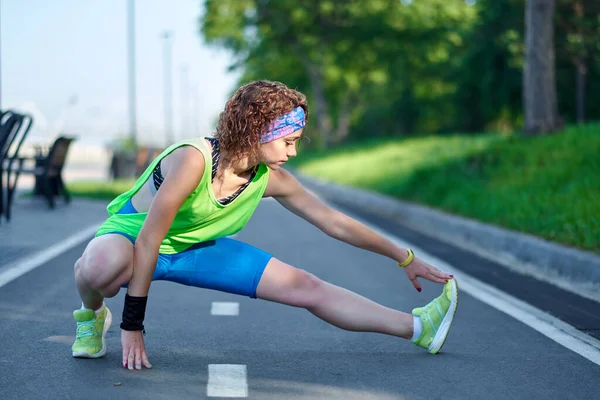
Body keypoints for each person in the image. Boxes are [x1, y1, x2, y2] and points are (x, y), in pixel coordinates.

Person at [71, 80, 458, 371]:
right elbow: (151, 236)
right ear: (259, 130)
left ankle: (418, 326)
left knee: (306, 286)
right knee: (99, 268)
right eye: (288, 141)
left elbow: (335, 223)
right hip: (135, 239)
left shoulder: (269, 177)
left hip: (194, 250)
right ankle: (93, 316)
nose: (292, 152)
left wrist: (404, 257)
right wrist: (132, 324)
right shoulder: (194, 159)